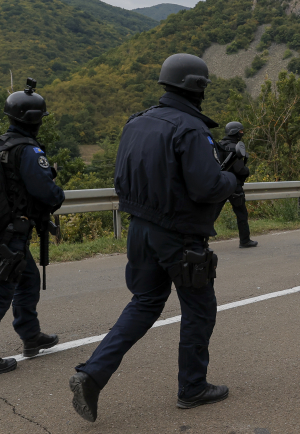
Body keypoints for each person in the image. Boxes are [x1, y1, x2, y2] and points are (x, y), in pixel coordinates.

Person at [69, 54, 238, 422]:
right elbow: (207, 186)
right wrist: (232, 177)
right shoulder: (192, 129)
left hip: (139, 228)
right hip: (178, 235)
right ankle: (192, 387)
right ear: (198, 86)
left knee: (145, 302)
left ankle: (92, 374)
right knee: (199, 308)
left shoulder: (138, 122)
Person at [0, 81, 65, 379]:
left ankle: (31, 336)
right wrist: (57, 195)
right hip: (11, 233)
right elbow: (46, 192)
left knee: (27, 279)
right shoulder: (29, 151)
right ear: (35, 119)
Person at [219, 121, 257, 248]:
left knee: (211, 214)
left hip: (219, 183)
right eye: (240, 131)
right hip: (233, 185)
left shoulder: (219, 145)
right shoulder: (234, 147)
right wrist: (247, 171)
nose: (242, 133)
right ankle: (245, 241)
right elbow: (239, 169)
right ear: (235, 132)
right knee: (241, 213)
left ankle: (201, 242)